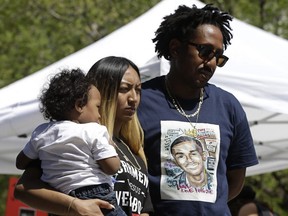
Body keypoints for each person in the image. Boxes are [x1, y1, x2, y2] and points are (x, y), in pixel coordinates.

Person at [137, 3, 259, 215]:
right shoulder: (140, 100)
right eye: (204, 51)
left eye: (218, 57)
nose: (211, 63)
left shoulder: (228, 105)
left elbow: (235, 179)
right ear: (175, 48)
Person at [14, 57, 153, 216]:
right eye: (124, 88)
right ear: (98, 91)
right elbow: (23, 190)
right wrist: (74, 205)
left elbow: (143, 208)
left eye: (138, 90)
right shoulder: (68, 138)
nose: (134, 98)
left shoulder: (136, 153)